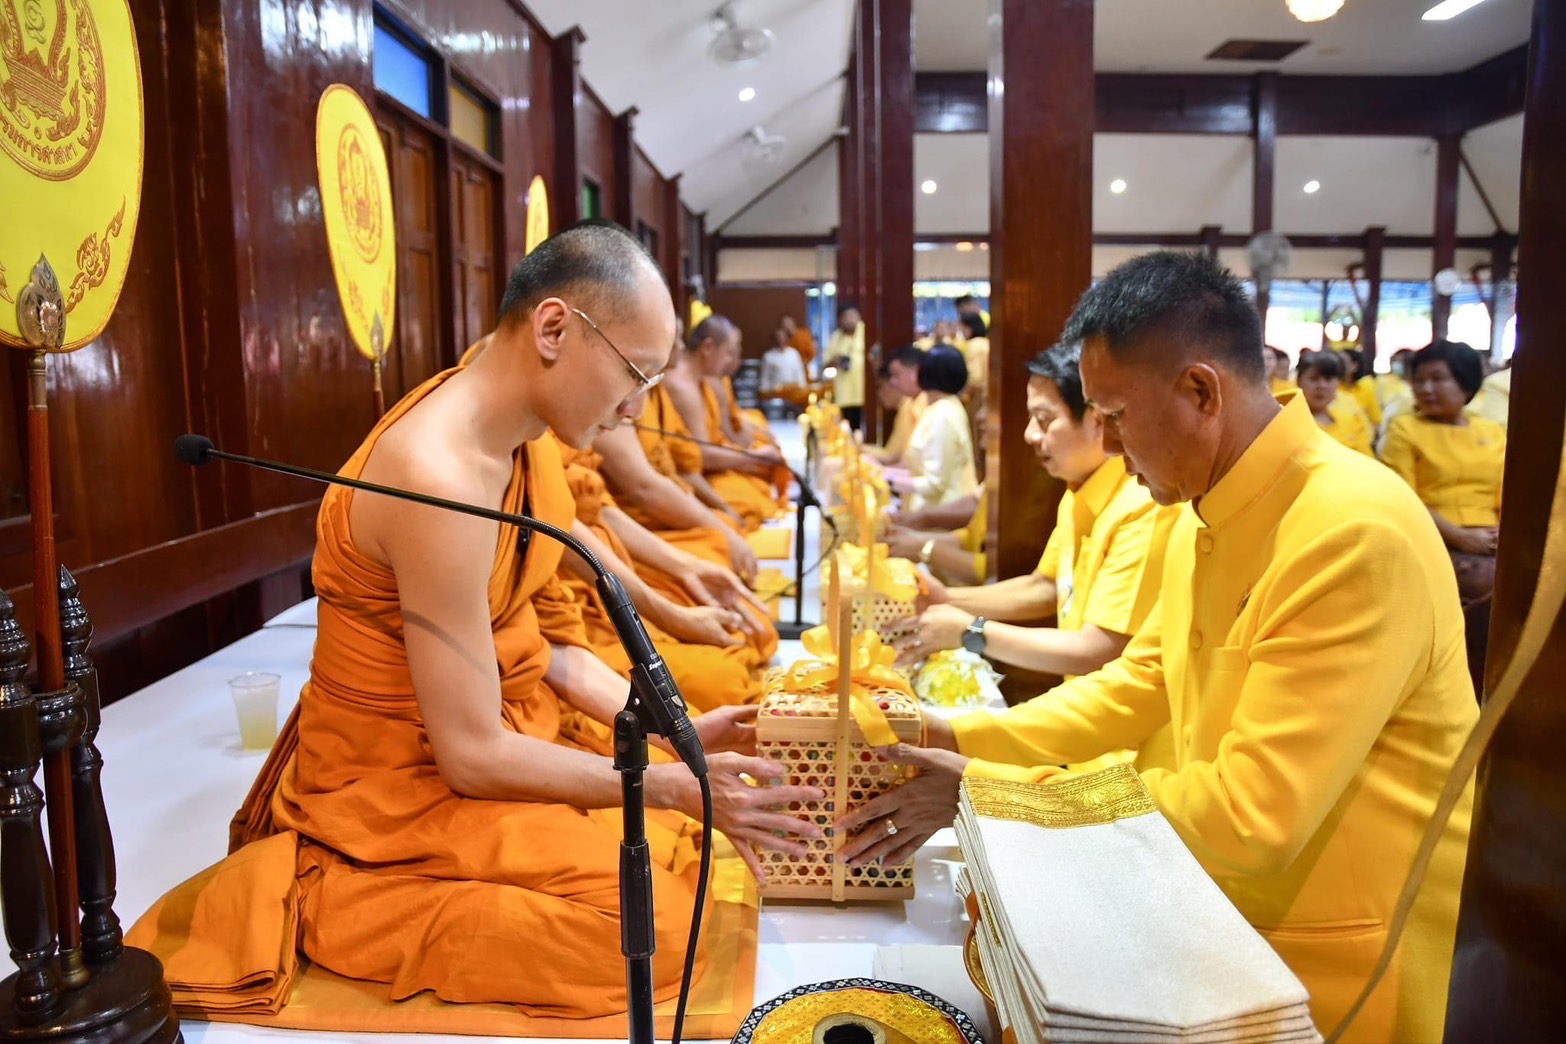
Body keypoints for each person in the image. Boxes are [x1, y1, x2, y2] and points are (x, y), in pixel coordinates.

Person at [135, 222, 822, 1018]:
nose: (637, 409)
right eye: (634, 375)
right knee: (659, 931)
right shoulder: (437, 476)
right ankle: (346, 899)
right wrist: (665, 786)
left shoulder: (520, 437)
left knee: (667, 856)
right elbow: (466, 755)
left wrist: (682, 737)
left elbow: (551, 654)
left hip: (501, 728)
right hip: (399, 790)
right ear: (555, 327)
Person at [843, 251, 1475, 1042]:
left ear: (1201, 392)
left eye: (1112, 413)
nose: (1103, 440)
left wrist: (991, 794)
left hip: (1341, 952)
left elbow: (1255, 814)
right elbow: (1140, 684)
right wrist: (942, 734)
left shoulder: (1351, 531)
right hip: (1208, 907)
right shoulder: (1194, 508)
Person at [892, 342, 1181, 692]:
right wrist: (947, 601)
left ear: (1096, 419)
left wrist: (972, 633)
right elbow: (1045, 586)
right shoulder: (1079, 490)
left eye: (1044, 421)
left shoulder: (1143, 506)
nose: (1029, 434)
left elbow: (1099, 649)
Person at [1380, 339, 1504, 693]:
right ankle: (1467, 680)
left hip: (1490, 538)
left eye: (1438, 379)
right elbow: (1404, 498)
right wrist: (1462, 537)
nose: (1426, 389)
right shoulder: (1405, 430)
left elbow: (1506, 493)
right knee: (1488, 585)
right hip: (1432, 536)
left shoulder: (1491, 432)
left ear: (1465, 383)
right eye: (1419, 380)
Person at [661, 315, 787, 531]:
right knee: (747, 506)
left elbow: (719, 433)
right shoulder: (682, 387)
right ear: (708, 347)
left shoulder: (703, 380)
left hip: (699, 471)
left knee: (757, 490)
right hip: (691, 477)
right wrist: (751, 457)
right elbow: (701, 456)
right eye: (728, 352)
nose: (731, 361)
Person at [890, 345, 977, 513]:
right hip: (932, 510)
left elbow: (934, 484)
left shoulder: (943, 414)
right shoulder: (941, 407)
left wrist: (889, 480)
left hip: (942, 513)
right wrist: (884, 473)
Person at [1296, 350, 1375, 456]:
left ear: (1338, 383)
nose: (1321, 386)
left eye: (1328, 379)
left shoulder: (1350, 420)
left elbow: (1368, 461)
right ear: (1299, 382)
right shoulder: (1289, 424)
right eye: (1313, 379)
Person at [865, 344, 927, 466]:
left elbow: (893, 456)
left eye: (896, 375)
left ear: (916, 372)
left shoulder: (926, 404)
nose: (893, 382)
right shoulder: (911, 403)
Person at [826, 305, 866, 429]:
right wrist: (836, 361)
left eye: (853, 316)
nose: (850, 320)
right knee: (847, 428)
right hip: (844, 393)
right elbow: (826, 362)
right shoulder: (835, 337)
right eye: (846, 317)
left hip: (864, 391)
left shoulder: (867, 333)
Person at [758, 326, 809, 408]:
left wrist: (803, 390)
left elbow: (800, 374)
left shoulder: (794, 354)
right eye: (778, 337)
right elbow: (765, 379)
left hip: (794, 395)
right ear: (774, 339)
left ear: (786, 338)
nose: (780, 339)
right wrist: (765, 395)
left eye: (782, 336)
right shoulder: (768, 356)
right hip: (776, 396)